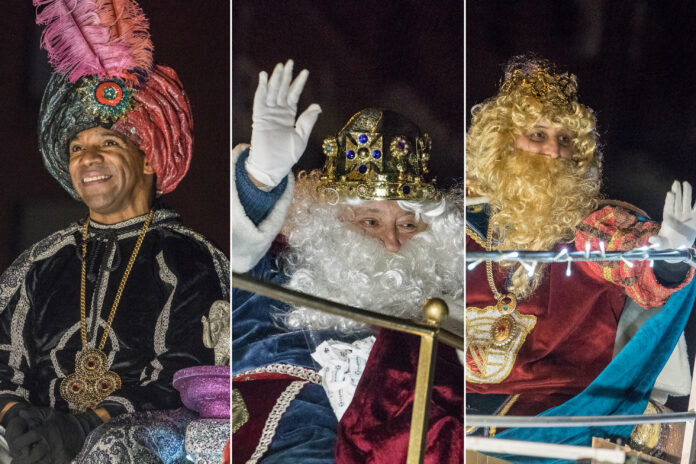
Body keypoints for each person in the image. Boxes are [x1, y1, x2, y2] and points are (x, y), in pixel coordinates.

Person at [0, 1, 228, 463]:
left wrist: (84, 427)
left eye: (108, 142)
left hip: (137, 442)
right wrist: (15, 416)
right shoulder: (42, 263)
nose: (88, 159)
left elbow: (183, 373)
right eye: (77, 148)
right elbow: (5, 359)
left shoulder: (188, 259)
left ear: (147, 157)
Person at [232, 60, 463, 462]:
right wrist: (260, 181)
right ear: (331, 223)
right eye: (371, 222)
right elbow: (237, 269)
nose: (391, 242)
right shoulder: (284, 273)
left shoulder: (449, 308)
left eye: (408, 224)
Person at [465, 55, 696, 451]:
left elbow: (630, 259)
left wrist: (668, 259)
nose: (554, 150)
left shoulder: (589, 228)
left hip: (562, 411)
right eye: (538, 134)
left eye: (565, 139)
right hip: (460, 404)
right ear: (502, 144)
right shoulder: (462, 226)